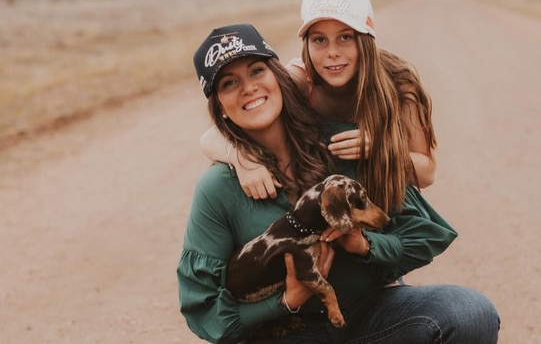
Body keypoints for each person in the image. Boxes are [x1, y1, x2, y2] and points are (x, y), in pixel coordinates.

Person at [178, 23, 499, 344]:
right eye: (229, 83)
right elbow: (202, 308)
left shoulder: (339, 143)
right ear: (219, 105)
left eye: (257, 71)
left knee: (468, 312)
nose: (248, 88)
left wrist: (365, 245)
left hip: (368, 313)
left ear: (278, 75)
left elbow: (422, 234)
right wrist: (285, 301)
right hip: (287, 330)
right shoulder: (219, 187)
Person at [200, 0, 437, 215]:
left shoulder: (397, 82)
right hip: (332, 209)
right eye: (320, 40)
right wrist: (243, 161)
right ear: (307, 43)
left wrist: (380, 149)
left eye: (345, 37)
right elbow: (211, 138)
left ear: (366, 39)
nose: (332, 52)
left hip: (385, 204)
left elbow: (427, 173)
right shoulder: (301, 81)